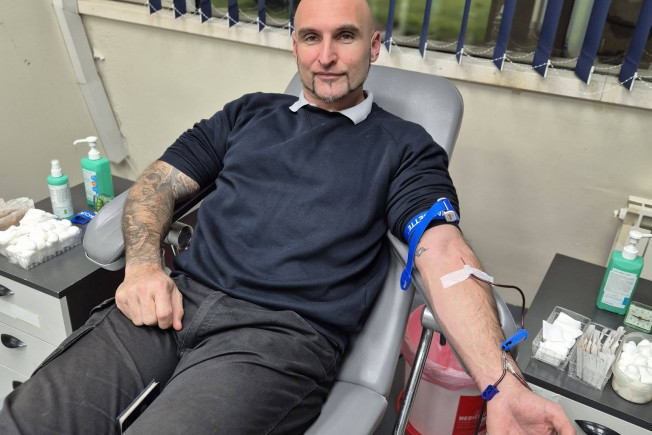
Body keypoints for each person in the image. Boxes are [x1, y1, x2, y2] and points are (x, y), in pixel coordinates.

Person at [0, 0, 575, 433]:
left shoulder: (404, 147)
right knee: (28, 420)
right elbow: (156, 183)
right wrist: (144, 266)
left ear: (374, 45)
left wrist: (501, 386)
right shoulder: (248, 114)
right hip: (175, 300)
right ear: (294, 46)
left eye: (345, 36)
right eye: (311, 37)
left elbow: (442, 250)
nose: (326, 56)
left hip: (276, 339)